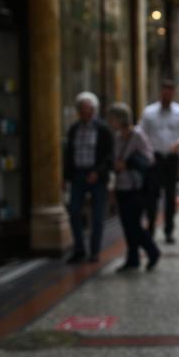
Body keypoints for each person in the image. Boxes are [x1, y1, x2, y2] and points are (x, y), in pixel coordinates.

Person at [107, 102, 161, 273]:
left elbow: (148, 158)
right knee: (127, 225)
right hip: (121, 186)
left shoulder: (137, 135)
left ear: (120, 119)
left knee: (134, 225)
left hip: (136, 187)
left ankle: (153, 251)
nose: (110, 121)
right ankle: (132, 259)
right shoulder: (117, 138)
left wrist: (128, 163)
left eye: (112, 118)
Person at [141, 79, 179, 244]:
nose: (167, 94)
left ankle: (169, 229)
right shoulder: (149, 112)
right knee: (152, 195)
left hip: (171, 159)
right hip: (154, 159)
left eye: (170, 92)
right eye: (164, 91)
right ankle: (150, 229)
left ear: (173, 93)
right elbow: (142, 134)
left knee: (171, 196)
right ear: (161, 93)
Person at [63, 91, 113, 264]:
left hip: (96, 176)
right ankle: (79, 248)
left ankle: (94, 250)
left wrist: (98, 173)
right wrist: (65, 176)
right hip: (78, 174)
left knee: (97, 215)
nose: (84, 112)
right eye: (81, 109)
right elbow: (68, 154)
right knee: (74, 211)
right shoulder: (74, 129)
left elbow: (109, 155)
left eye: (87, 109)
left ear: (93, 110)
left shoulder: (103, 129)